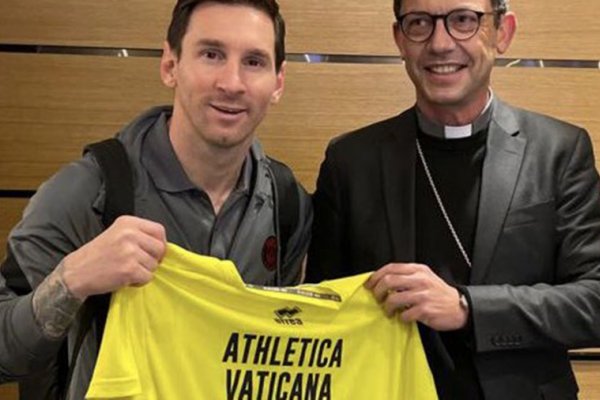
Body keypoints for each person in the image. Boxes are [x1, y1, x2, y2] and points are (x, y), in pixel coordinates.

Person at [0, 0, 312, 398]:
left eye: (254, 61)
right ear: (170, 65)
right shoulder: (88, 192)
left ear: (278, 82)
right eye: (211, 54)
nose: (232, 82)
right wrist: (71, 281)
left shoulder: (288, 203)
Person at [307, 0, 600, 398]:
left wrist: (467, 308)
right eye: (419, 23)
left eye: (464, 20)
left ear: (503, 31)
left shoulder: (560, 151)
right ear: (400, 39)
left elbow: (594, 300)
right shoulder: (350, 161)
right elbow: (324, 312)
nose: (441, 43)